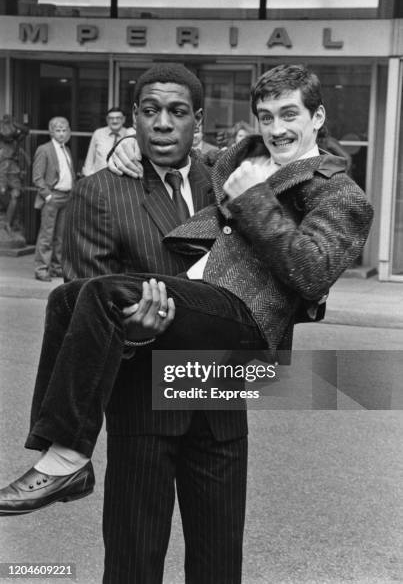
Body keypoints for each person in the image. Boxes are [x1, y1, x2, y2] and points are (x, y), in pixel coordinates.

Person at [0, 64, 373, 584]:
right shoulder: (234, 161)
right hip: (147, 400)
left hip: (230, 350)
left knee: (217, 567)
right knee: (68, 297)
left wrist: (254, 201)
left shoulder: (336, 193)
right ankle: (66, 453)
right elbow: (182, 150)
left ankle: (66, 457)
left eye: (290, 114)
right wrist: (128, 145)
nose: (277, 127)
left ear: (318, 116)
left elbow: (312, 272)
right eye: (266, 116)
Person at [33, 117, 76, 281]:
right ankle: (41, 268)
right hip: (52, 197)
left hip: (66, 197)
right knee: (47, 235)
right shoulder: (44, 149)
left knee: (61, 236)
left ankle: (56, 267)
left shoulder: (66, 149)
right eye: (58, 130)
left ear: (69, 132)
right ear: (51, 132)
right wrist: (48, 196)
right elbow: (37, 177)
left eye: (65, 130)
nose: (62, 134)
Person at [0, 114, 29, 235]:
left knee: (16, 195)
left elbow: (26, 130)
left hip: (13, 171)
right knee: (2, 193)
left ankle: (8, 222)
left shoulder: (16, 140)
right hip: (1, 171)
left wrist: (13, 122)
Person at [81, 106, 129, 176]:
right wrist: (88, 175)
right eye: (111, 118)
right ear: (107, 120)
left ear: (123, 119)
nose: (114, 121)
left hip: (121, 179)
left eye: (118, 118)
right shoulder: (98, 133)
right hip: (99, 178)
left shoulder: (129, 134)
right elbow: (90, 158)